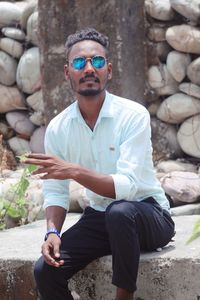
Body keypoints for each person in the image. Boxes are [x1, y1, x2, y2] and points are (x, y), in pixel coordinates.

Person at [24, 28, 175, 300]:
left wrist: (73, 170)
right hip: (101, 219)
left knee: (120, 211)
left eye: (98, 61)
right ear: (67, 72)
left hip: (148, 215)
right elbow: (56, 191)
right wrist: (52, 232)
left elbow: (127, 188)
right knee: (45, 271)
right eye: (80, 63)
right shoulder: (58, 128)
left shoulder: (132, 115)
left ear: (110, 70)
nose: (89, 69)